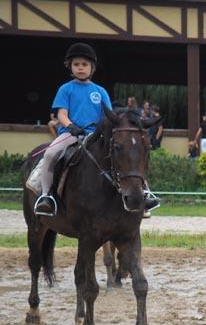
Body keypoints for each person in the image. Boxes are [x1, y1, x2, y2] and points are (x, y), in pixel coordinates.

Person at [31, 42, 160, 216]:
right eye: (76, 64)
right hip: (71, 134)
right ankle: (46, 197)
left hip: (97, 135)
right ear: (70, 66)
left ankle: (144, 194)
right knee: (50, 154)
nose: (80, 68)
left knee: (126, 154)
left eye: (84, 64)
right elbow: (61, 113)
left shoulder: (100, 91)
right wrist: (70, 126)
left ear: (92, 67)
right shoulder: (65, 89)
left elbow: (108, 115)